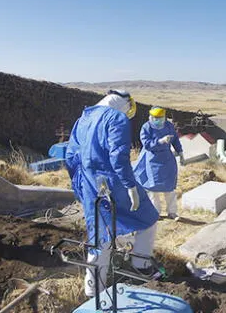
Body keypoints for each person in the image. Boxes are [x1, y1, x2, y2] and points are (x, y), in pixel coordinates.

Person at [65, 90, 158, 297]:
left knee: (100, 233)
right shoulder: (117, 117)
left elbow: (70, 156)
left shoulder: (83, 118)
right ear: (124, 103)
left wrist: (79, 186)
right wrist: (130, 186)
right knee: (149, 218)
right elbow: (118, 156)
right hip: (114, 183)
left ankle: (92, 288)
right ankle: (141, 266)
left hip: (89, 185)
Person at [134, 107, 184, 221]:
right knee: (153, 189)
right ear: (151, 117)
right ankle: (155, 213)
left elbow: (175, 139)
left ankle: (172, 212)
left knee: (169, 188)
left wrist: (180, 151)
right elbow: (146, 144)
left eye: (160, 118)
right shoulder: (146, 127)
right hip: (152, 159)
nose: (158, 120)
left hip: (167, 159)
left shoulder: (168, 126)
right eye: (155, 118)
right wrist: (160, 141)